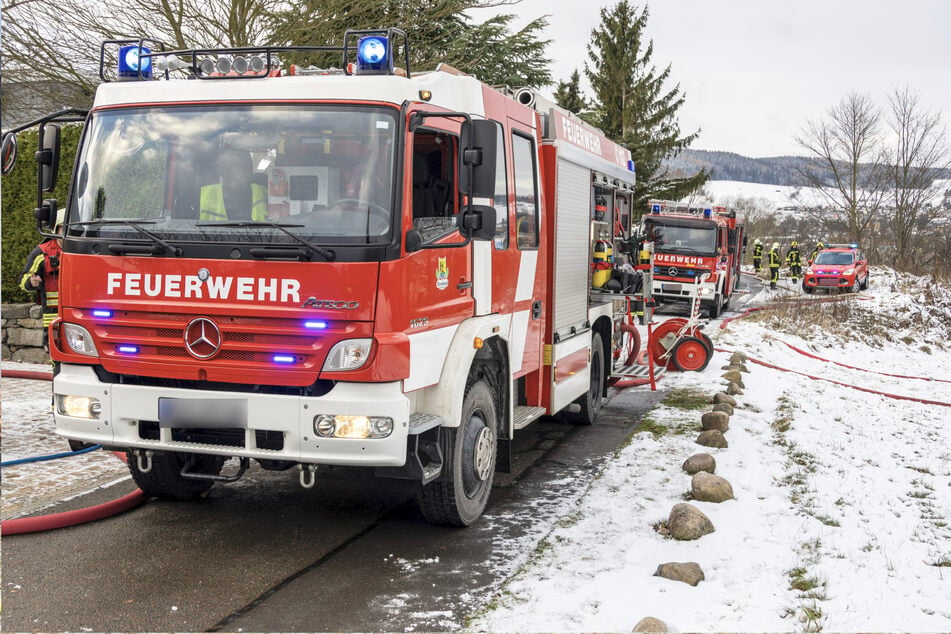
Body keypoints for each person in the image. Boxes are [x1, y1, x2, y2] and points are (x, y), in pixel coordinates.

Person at [19, 208, 65, 338]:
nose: (68, 233)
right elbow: (23, 280)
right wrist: (31, 282)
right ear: (56, 230)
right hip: (52, 314)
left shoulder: (84, 250)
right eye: (64, 229)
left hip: (79, 311)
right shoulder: (42, 252)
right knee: (54, 350)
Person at [200, 147, 267, 221]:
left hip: (269, 232)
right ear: (221, 171)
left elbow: (277, 218)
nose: (233, 171)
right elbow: (189, 223)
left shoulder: (263, 192)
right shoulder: (206, 194)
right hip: (205, 232)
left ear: (249, 170)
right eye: (229, 166)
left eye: (242, 165)